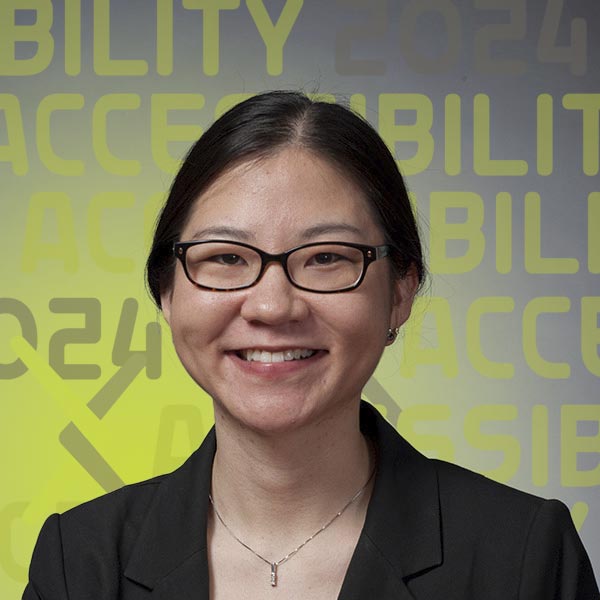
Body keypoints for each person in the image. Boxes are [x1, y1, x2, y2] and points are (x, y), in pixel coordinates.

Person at [23, 91, 598, 600]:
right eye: (226, 257)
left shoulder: (524, 557)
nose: (272, 306)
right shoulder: (80, 563)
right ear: (166, 294)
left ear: (401, 293)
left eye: (326, 258)